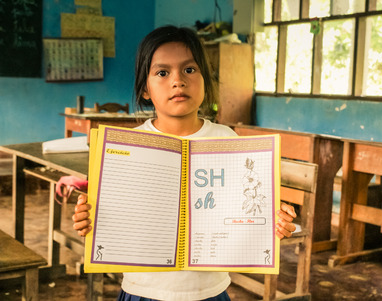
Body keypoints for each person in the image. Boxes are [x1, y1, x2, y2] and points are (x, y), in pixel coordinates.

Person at [72, 25, 297, 301]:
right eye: (162, 73)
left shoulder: (229, 142)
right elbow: (111, 222)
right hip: (143, 293)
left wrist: (274, 223)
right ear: (145, 88)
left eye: (189, 70)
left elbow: (250, 212)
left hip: (210, 294)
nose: (177, 81)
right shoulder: (127, 148)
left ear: (206, 79)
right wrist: (91, 221)